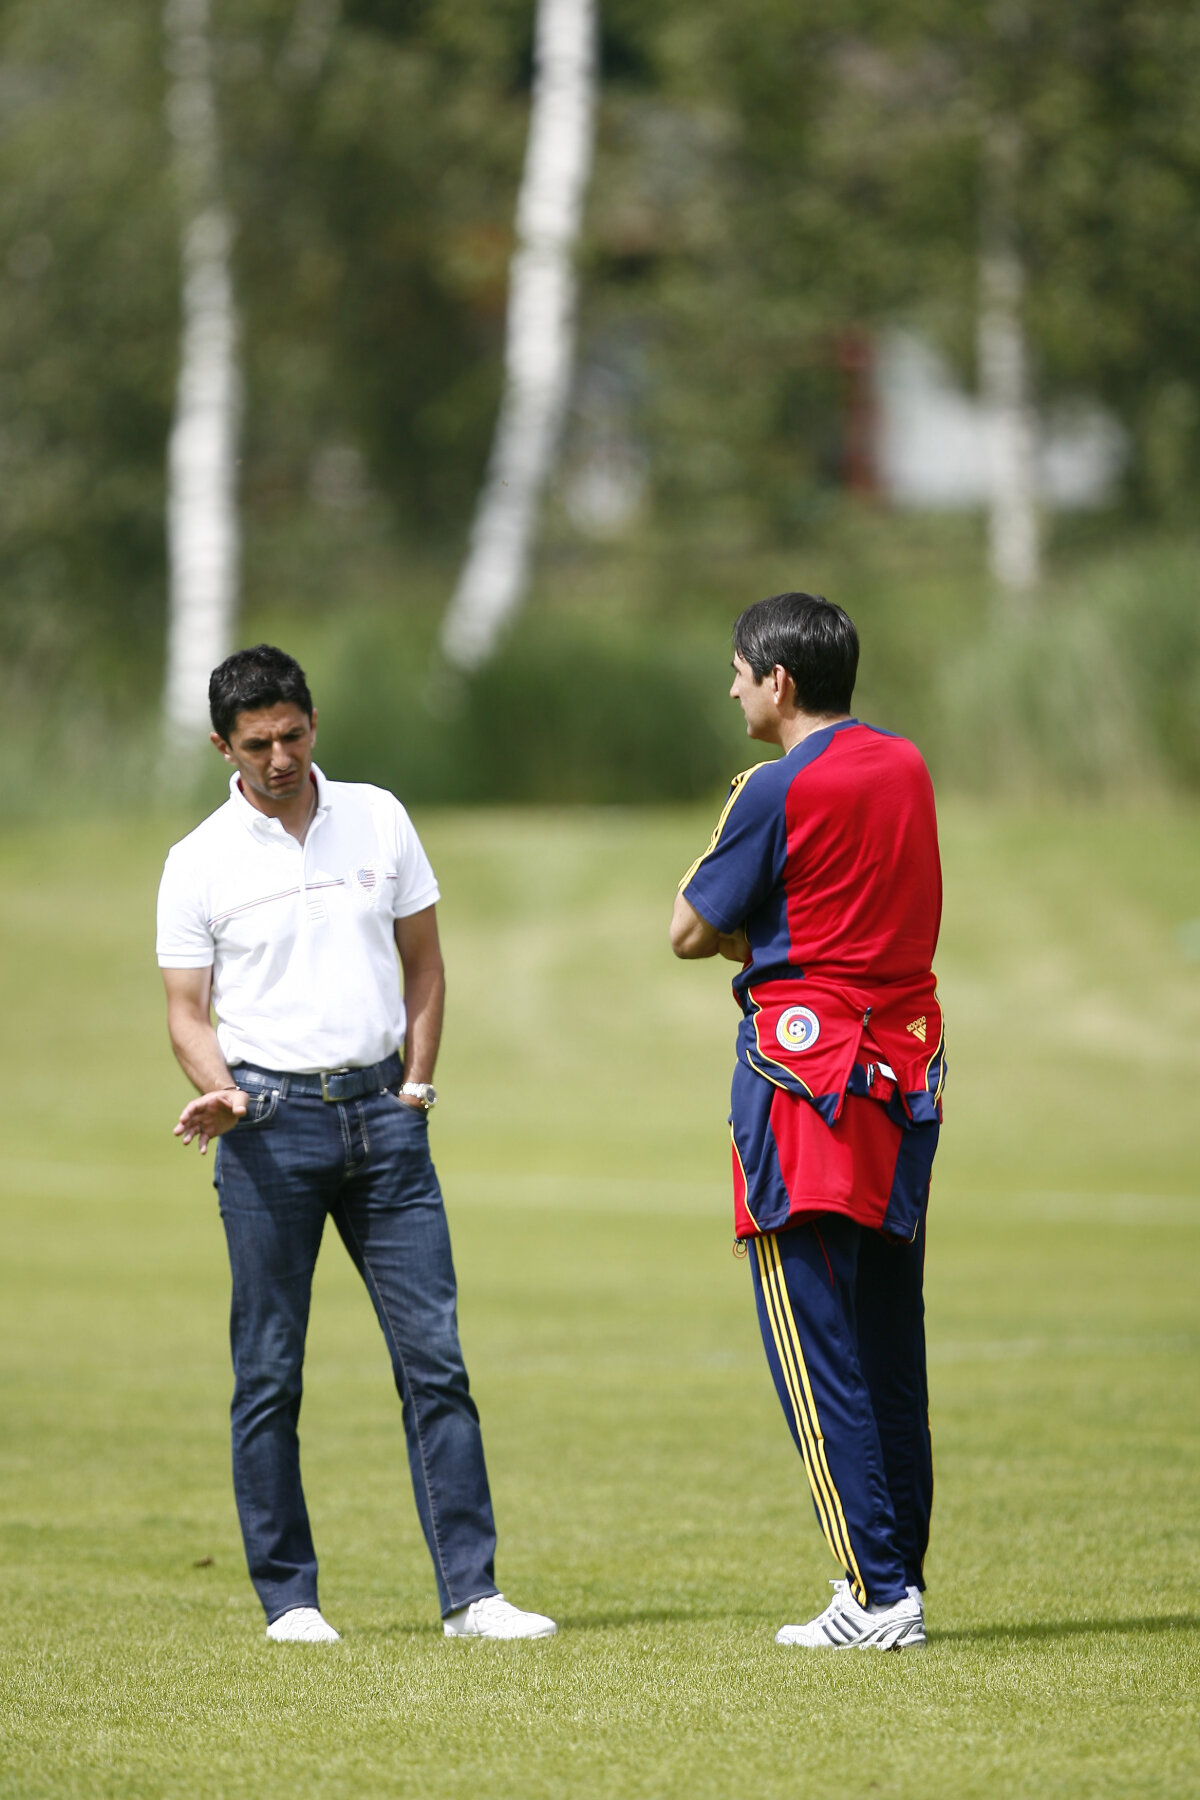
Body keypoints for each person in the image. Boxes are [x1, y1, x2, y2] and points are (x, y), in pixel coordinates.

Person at [156, 644, 555, 1644]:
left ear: (313, 722)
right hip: (268, 1131)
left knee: (435, 1363)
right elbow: (185, 1013)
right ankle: (291, 1601)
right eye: (258, 745)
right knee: (270, 1372)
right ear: (223, 747)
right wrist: (222, 1093)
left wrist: (417, 1085)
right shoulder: (197, 861)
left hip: (387, 1122)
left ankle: (474, 1594)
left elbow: (424, 965)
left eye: (294, 734)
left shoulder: (379, 816)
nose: (281, 757)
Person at [669, 593, 944, 1652]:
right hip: (903, 1075)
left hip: (804, 1086)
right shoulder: (908, 764)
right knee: (886, 1341)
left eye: (738, 671)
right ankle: (898, 1579)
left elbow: (690, 928)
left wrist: (765, 942)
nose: (732, 688)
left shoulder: (773, 787)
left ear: (777, 681)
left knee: (813, 1345)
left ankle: (876, 1593)